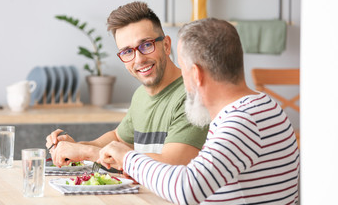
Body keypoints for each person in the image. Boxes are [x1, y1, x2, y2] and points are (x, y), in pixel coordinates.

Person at [98, 18, 300, 204]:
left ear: (196, 74)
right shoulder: (263, 106)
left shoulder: (241, 121)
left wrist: (128, 158)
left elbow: (186, 189)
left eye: (183, 71)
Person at [46, 1, 209, 167]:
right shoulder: (141, 95)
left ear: (166, 45)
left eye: (146, 45)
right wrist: (76, 148)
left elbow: (173, 164)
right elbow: (118, 138)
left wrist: (89, 153)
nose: (139, 59)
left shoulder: (192, 95)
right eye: (127, 51)